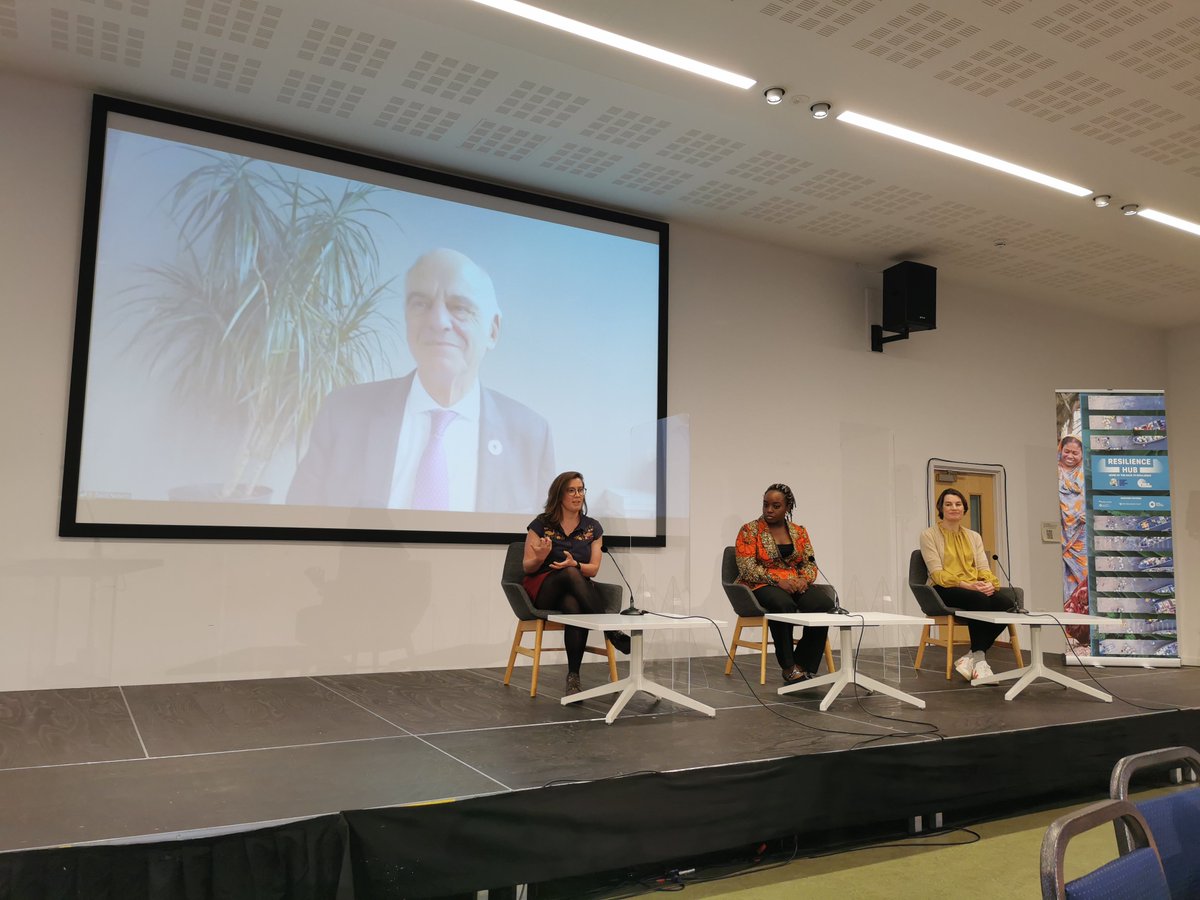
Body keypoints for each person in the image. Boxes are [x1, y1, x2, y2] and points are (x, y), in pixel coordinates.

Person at [287, 248, 554, 512]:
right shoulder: (343, 413)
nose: (437, 321)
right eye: (421, 304)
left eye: (460, 308)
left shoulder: (531, 437)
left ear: (493, 331)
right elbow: (298, 523)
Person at [523, 471, 630, 696]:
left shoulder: (593, 528)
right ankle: (612, 631)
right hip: (544, 589)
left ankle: (573, 677)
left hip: (576, 591)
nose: (577, 495)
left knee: (573, 606)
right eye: (571, 490)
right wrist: (540, 557)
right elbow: (527, 567)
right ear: (559, 495)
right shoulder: (541, 524)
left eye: (581, 490)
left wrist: (577, 565)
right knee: (570, 573)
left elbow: (593, 569)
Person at [735, 483, 835, 684]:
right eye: (766, 505)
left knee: (823, 604)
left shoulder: (799, 531)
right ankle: (788, 667)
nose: (769, 510)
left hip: (794, 582)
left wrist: (803, 579)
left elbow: (809, 563)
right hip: (761, 584)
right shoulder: (749, 531)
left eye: (776, 506)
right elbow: (747, 568)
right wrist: (778, 581)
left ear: (788, 507)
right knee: (783, 605)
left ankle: (803, 664)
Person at [919, 488, 1019, 682]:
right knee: (979, 600)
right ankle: (979, 663)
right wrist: (967, 585)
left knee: (1007, 604)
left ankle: (972, 657)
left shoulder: (974, 536)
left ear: (964, 508)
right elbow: (937, 573)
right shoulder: (928, 535)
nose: (954, 508)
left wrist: (989, 584)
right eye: (948, 504)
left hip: (973, 587)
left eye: (958, 504)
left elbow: (983, 567)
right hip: (943, 588)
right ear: (941, 508)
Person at [1058, 436, 1090, 649]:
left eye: (1075, 453)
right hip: (1061, 536)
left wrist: (1089, 513)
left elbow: (1095, 501)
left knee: (1083, 583)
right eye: (1066, 451)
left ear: (1082, 454)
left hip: (1082, 538)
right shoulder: (1053, 473)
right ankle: (1067, 631)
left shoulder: (1087, 475)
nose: (1070, 456)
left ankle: (1085, 631)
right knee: (1065, 584)